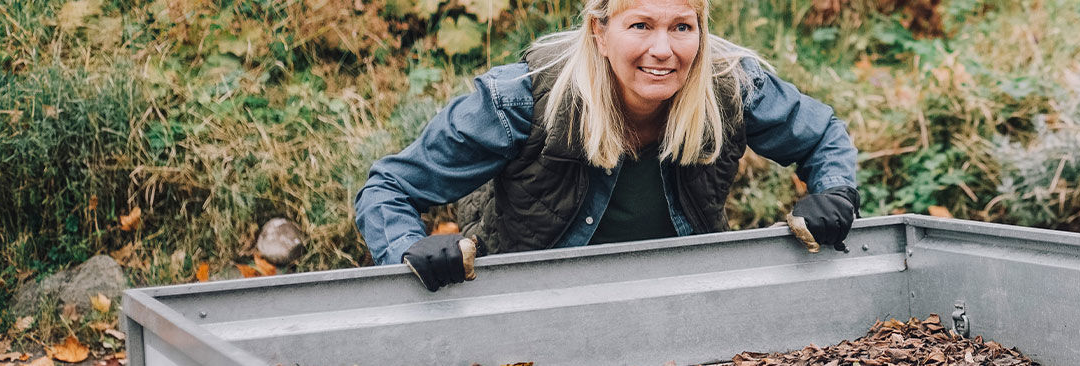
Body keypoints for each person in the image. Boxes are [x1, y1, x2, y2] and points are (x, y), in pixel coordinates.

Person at [354, 0, 861, 292]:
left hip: (683, 302)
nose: (663, 49)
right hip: (529, 311)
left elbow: (822, 136)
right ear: (600, 31)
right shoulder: (522, 99)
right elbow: (388, 187)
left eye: (682, 27)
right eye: (640, 25)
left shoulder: (731, 86)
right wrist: (410, 248)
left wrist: (835, 193)